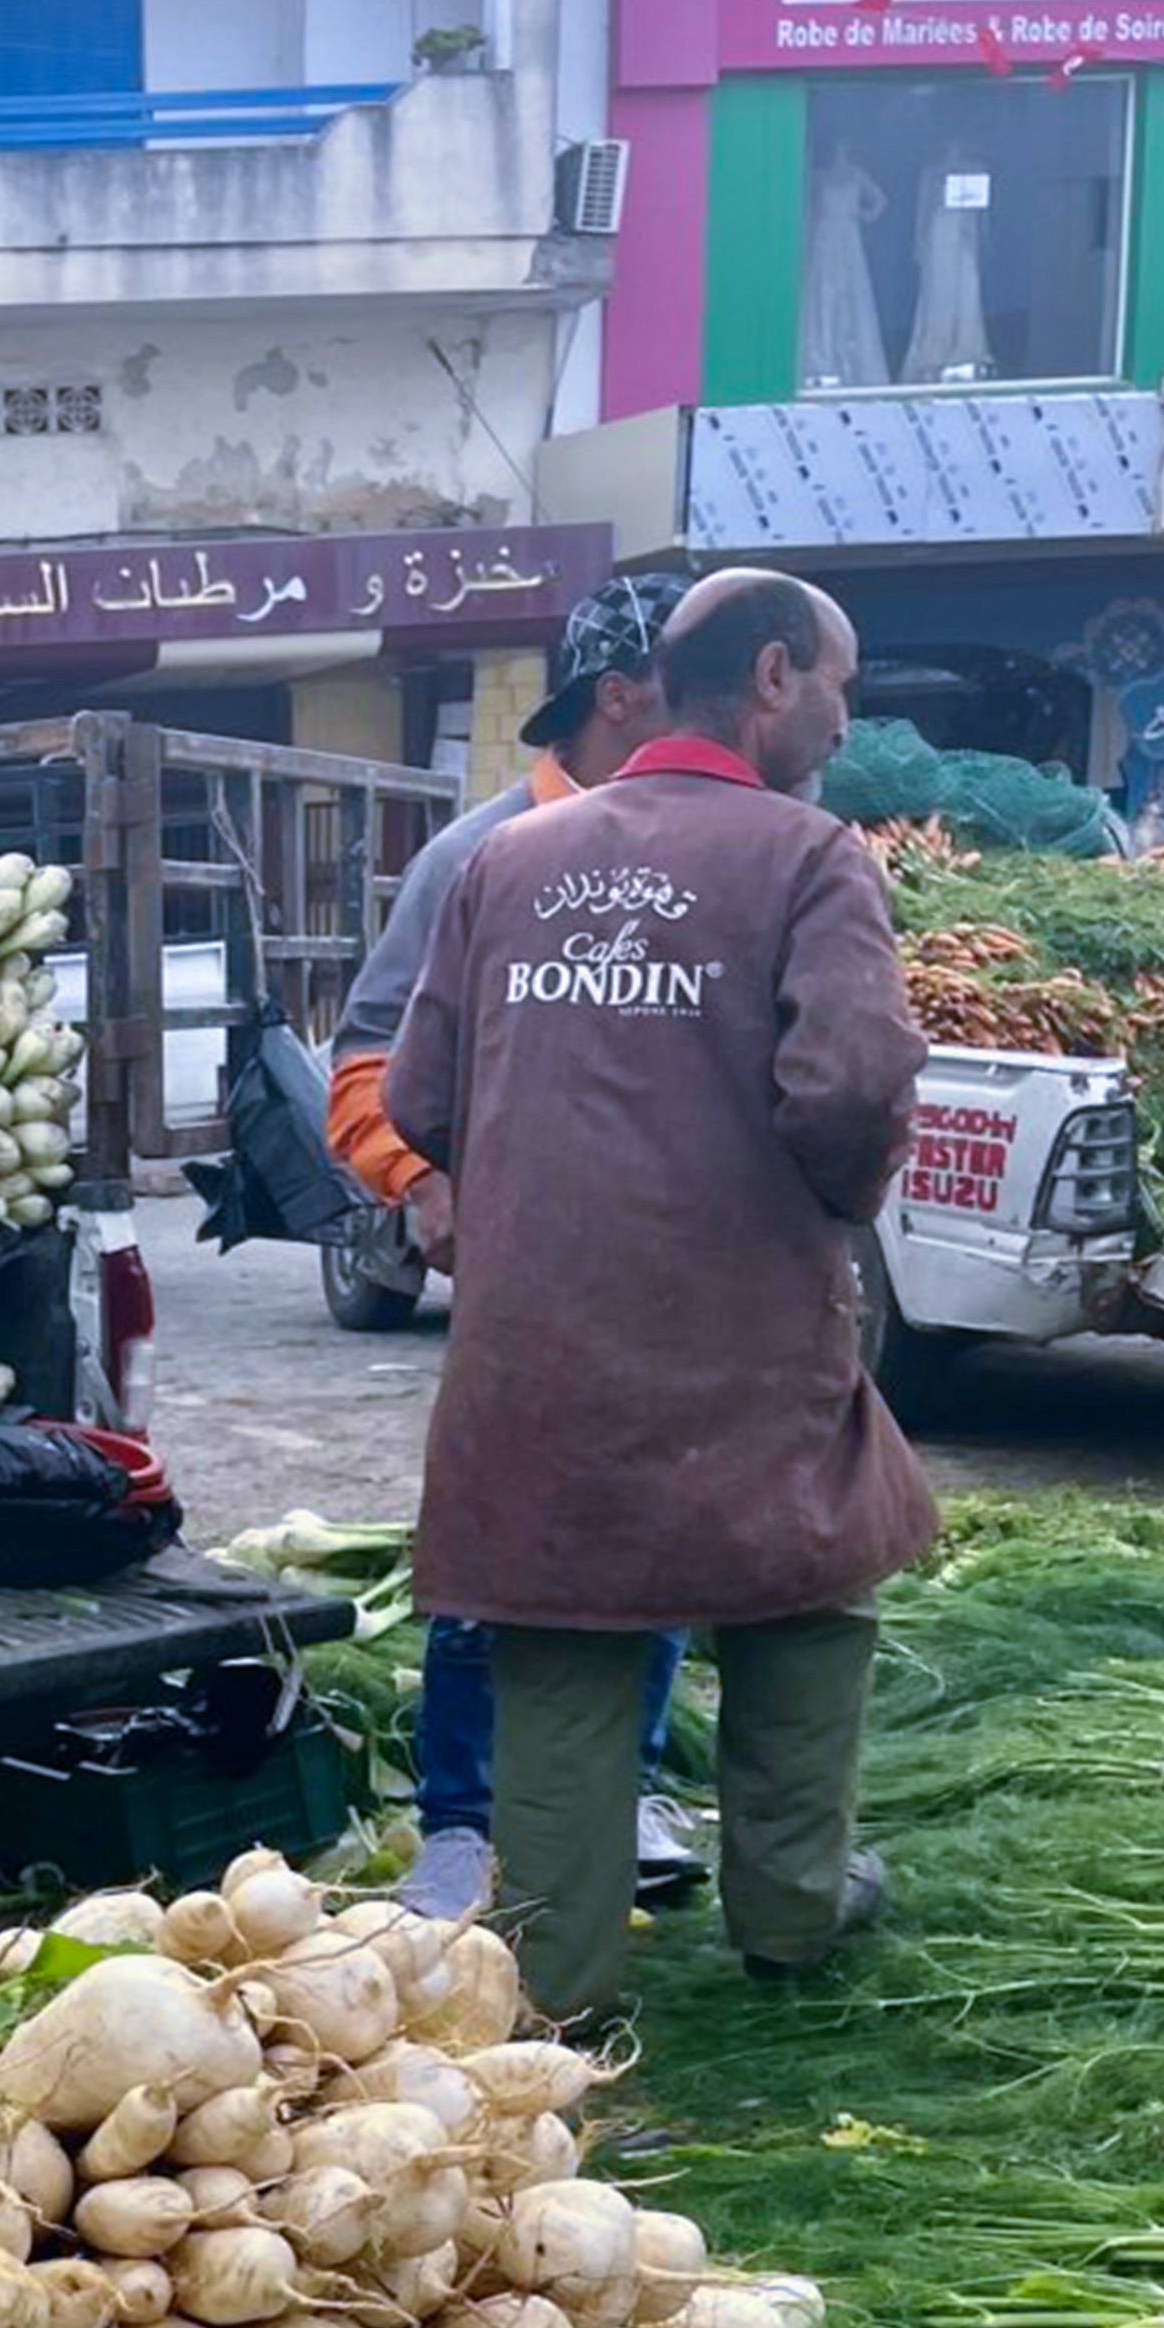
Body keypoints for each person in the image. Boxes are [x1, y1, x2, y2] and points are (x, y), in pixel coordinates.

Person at [383, 564, 936, 2028]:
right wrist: (824, 1200)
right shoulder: (813, 856)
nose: (843, 711)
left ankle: (559, 1983)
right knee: (806, 1599)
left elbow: (422, 1091)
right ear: (770, 679)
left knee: (559, 1630)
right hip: (743, 1326)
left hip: (539, 1345)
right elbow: (859, 1082)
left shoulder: (509, 861)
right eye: (840, 681)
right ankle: (791, 1913)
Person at [326, 568, 700, 1927]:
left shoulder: (718, 852)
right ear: (622, 697)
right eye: (690, 686)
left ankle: (630, 1783)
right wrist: (424, 1185)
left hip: (666, 1276)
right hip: (525, 1277)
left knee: (658, 1526)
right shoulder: (478, 856)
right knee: (499, 1535)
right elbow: (361, 1067)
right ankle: (464, 1821)